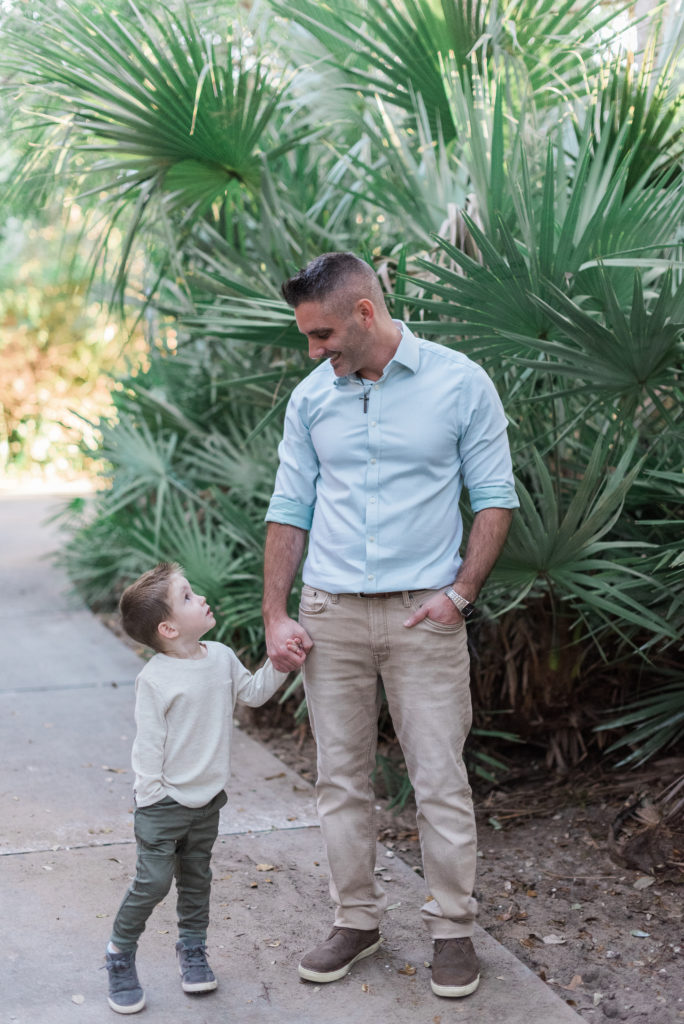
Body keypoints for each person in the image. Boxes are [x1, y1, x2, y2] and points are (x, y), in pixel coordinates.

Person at [262, 252, 518, 999]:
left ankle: (452, 932)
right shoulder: (312, 399)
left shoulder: (459, 382)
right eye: (308, 338)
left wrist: (461, 594)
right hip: (330, 615)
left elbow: (494, 497)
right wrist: (277, 614)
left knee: (438, 780)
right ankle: (357, 920)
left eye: (323, 334)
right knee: (339, 781)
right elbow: (290, 509)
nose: (314, 351)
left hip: (424, 615)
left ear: (365, 313)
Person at [104, 562, 305, 1014]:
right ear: (169, 627)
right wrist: (151, 796)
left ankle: (192, 949)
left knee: (196, 880)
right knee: (153, 881)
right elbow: (148, 744)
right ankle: (119, 953)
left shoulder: (220, 656)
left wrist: (280, 664)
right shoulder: (155, 679)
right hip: (162, 802)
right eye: (189, 596)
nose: (202, 598)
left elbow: (252, 693)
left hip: (207, 800)